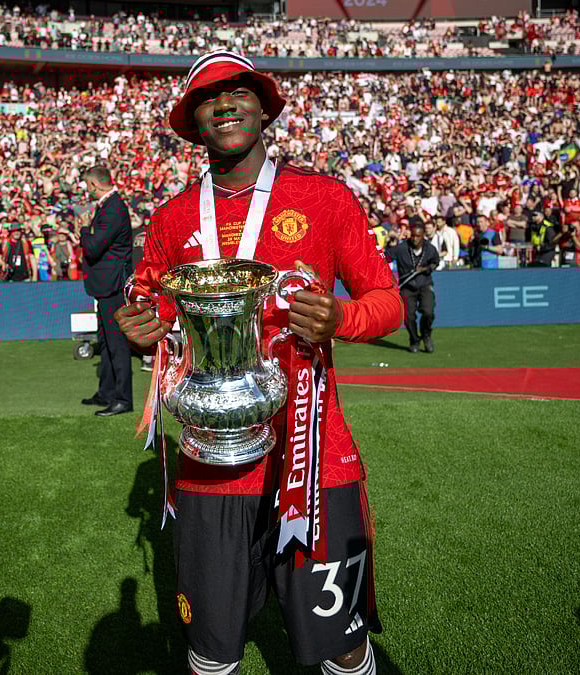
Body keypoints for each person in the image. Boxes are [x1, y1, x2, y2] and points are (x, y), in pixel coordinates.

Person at [113, 50, 402, 675]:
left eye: (238, 92)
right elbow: (150, 303)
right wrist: (142, 327)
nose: (224, 105)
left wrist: (342, 319)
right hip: (211, 461)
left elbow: (387, 301)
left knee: (343, 647)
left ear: (263, 108)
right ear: (193, 121)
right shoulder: (172, 216)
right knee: (211, 651)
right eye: (208, 99)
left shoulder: (322, 198)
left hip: (315, 453)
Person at [79, 165, 134, 417]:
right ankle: (107, 392)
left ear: (94, 185)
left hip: (112, 286)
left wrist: (83, 229)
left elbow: (93, 247)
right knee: (105, 341)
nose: (86, 190)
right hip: (106, 285)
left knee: (116, 343)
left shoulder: (113, 208)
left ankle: (123, 398)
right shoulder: (109, 206)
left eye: (87, 186)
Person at [387, 221, 439, 353]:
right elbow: (385, 257)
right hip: (407, 287)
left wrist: (426, 268)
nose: (415, 239)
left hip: (425, 284)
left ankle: (426, 335)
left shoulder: (430, 248)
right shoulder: (402, 248)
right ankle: (414, 340)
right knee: (408, 316)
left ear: (423, 236)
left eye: (418, 236)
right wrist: (389, 245)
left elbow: (435, 262)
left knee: (428, 312)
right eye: (413, 236)